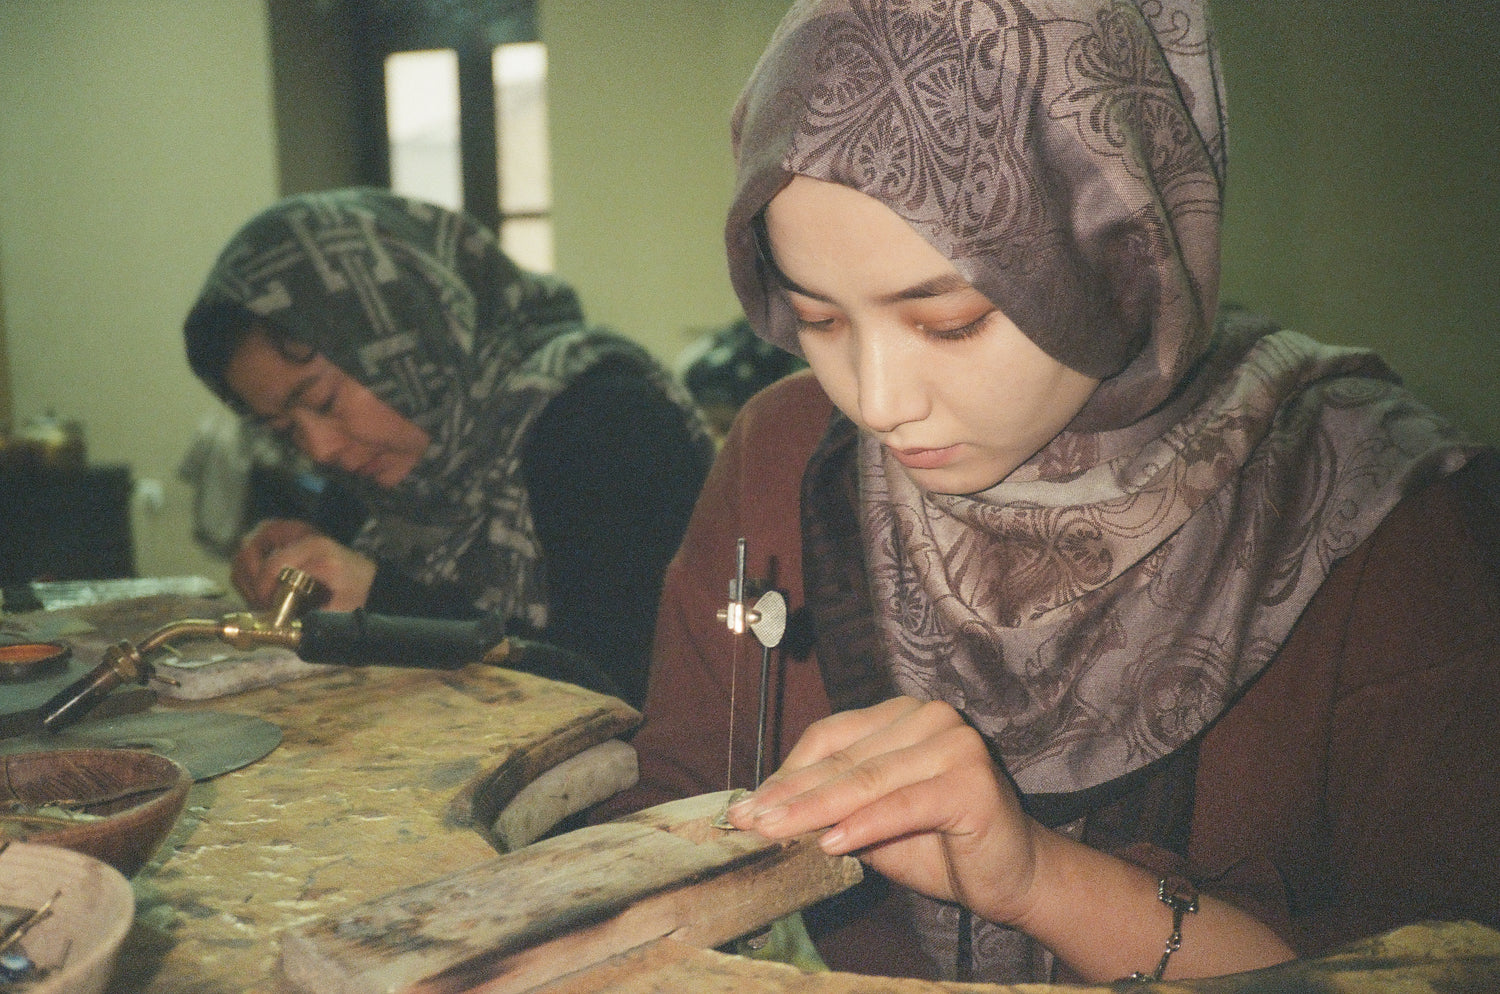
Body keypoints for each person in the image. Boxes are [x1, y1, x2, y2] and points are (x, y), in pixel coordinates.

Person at [602, 0, 1500, 985]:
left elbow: (1451, 960)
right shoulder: (784, 451)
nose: (878, 402)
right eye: (819, 319)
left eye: (951, 322)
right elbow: (668, 809)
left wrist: (1041, 881)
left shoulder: (1379, 511)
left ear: (1121, 254)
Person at [184, 188, 715, 708]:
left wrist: (383, 603)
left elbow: (632, 685)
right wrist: (307, 573)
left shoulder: (605, 421)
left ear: (403, 330)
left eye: (323, 400)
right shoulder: (378, 476)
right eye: (284, 429)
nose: (318, 449)